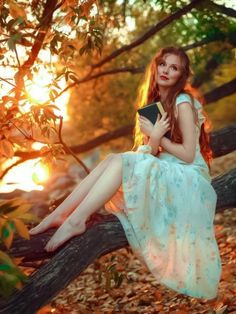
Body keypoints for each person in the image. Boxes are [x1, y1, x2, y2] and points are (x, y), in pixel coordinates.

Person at [29, 46, 222, 299]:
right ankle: (59, 214)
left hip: (188, 176)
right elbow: (151, 152)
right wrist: (153, 139)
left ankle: (75, 220)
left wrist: (157, 138)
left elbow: (187, 154)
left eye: (174, 68)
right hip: (167, 169)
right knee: (112, 158)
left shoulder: (183, 102)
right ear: (156, 66)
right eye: (163, 64)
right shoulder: (153, 106)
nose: (166, 71)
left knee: (121, 162)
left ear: (181, 75)